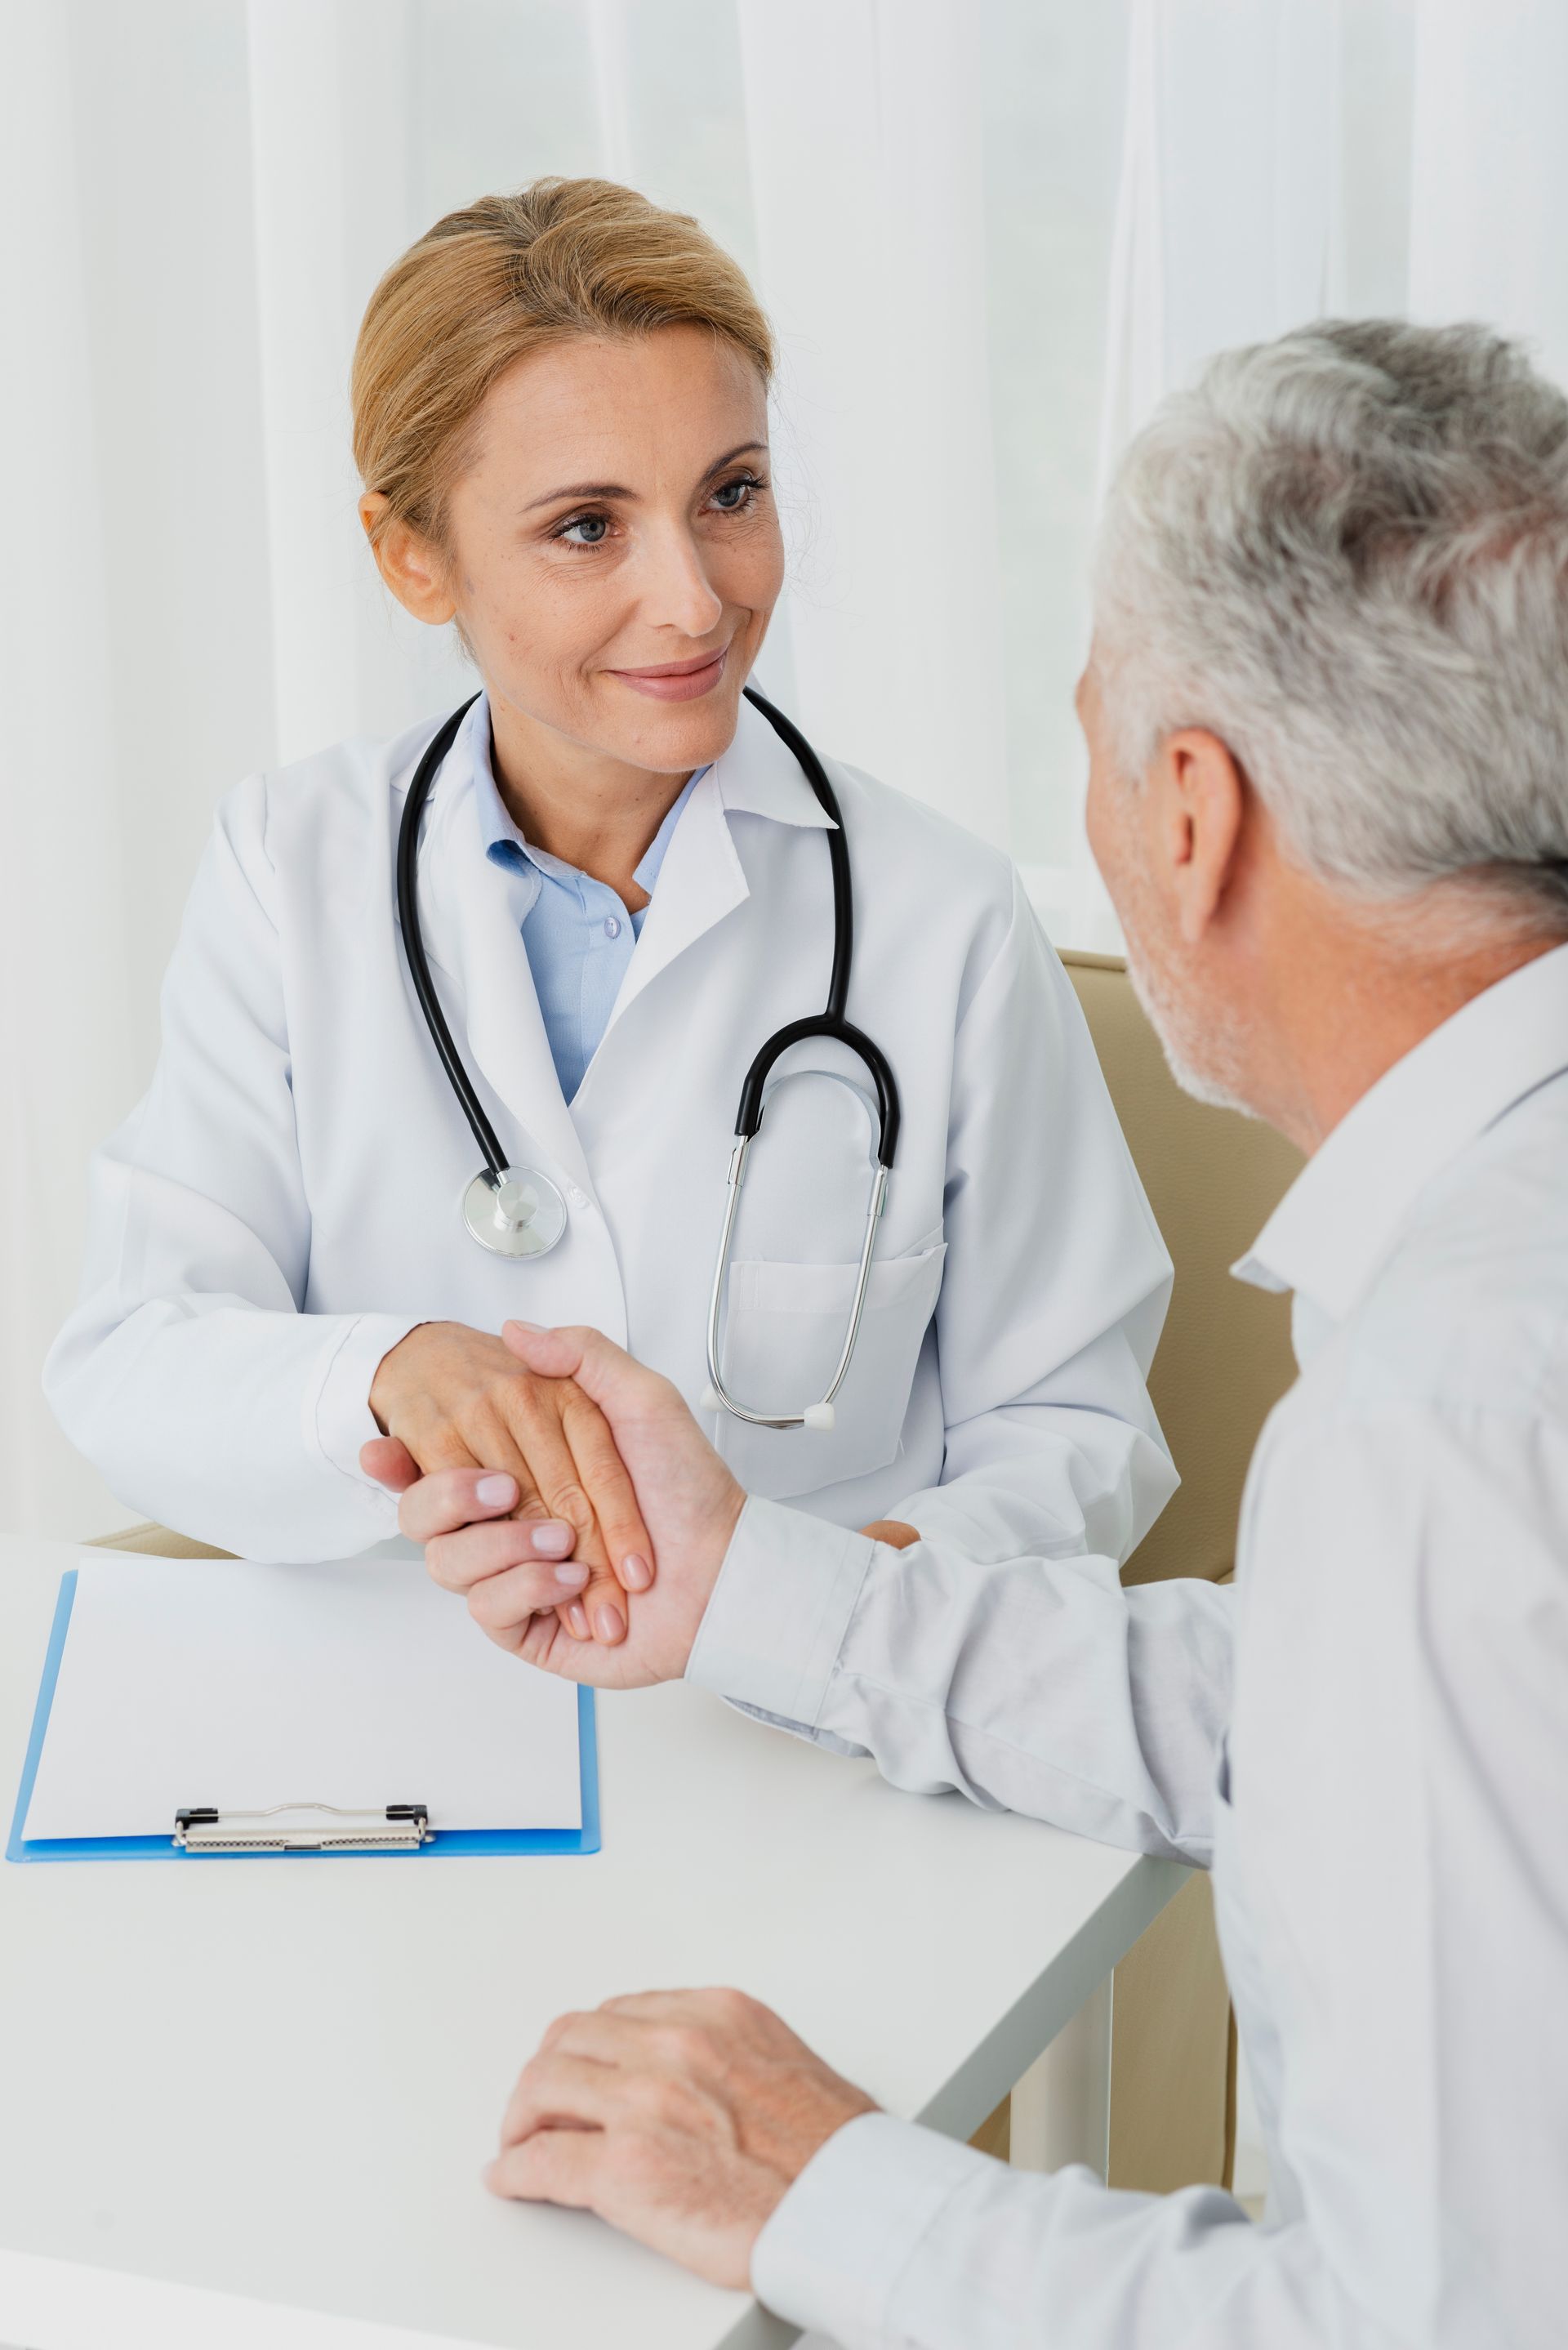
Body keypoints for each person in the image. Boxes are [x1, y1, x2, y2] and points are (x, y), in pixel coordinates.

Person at [376, 319, 1568, 2348]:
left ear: (1191, 810)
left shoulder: (1449, 1405)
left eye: (1093, 715)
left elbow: (1434, 2323)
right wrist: (756, 1583)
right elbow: (1349, 1704)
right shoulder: (1485, 1298)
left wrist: (823, 2182)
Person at [43, 176, 1175, 1648]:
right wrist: (391, 1368)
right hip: (406, 1728)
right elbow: (136, 1355)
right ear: (411, 555)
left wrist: (815, 1606)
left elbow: (1081, 1430)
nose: (697, 601)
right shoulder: (287, 868)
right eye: (588, 526)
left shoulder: (938, 914)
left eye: (731, 494)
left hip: (813, 1743)